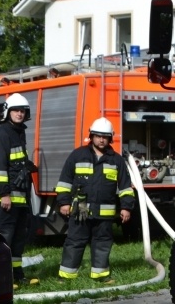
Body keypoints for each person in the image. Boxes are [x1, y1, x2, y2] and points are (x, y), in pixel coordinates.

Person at [55, 117, 136, 283]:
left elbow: (125, 187)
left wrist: (126, 207)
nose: (101, 139)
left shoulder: (116, 160)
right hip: (80, 209)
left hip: (104, 212)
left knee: (103, 242)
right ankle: (66, 277)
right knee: (75, 242)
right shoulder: (77, 155)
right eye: (98, 135)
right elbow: (65, 181)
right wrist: (64, 202)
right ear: (91, 136)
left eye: (105, 136)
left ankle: (100, 275)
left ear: (110, 138)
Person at [0, 92, 39, 290]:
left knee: (17, 240)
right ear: (8, 112)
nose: (20, 113)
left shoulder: (18, 133)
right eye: (16, 110)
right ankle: (0, 279)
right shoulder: (2, 135)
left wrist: (29, 166)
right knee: (4, 240)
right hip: (7, 200)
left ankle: (17, 276)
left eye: (23, 110)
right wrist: (4, 194)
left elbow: (15, 162)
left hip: (20, 199)